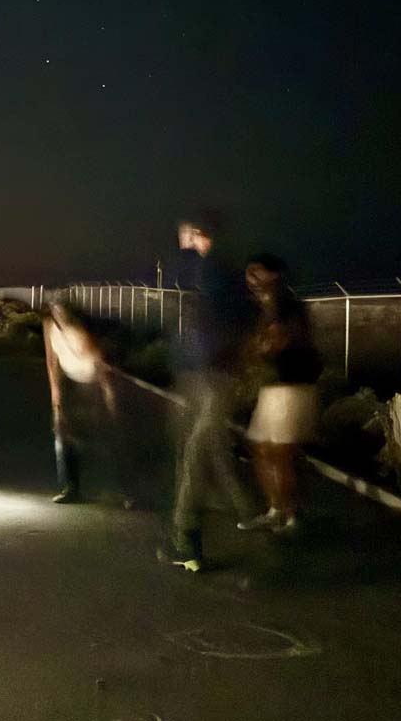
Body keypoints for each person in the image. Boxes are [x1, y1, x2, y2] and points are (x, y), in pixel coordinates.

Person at [162, 215, 257, 572]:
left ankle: (184, 540)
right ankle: (242, 508)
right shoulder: (224, 273)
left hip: (209, 373)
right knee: (205, 447)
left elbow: (207, 316)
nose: (182, 239)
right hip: (209, 373)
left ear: (200, 234)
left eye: (186, 233)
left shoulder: (213, 270)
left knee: (195, 454)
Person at [238, 255, 322, 533]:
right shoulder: (267, 307)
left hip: (291, 385)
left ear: (274, 275)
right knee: (262, 448)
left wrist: (259, 347)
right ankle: (276, 509)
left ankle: (292, 514)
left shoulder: (286, 305)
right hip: (274, 386)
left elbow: (278, 340)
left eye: (257, 273)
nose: (251, 279)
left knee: (280, 453)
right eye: (249, 273)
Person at [42, 301, 121, 504]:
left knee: (101, 436)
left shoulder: (79, 330)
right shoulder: (49, 326)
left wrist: (107, 392)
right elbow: (51, 361)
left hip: (90, 382)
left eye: (61, 311)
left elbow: (98, 360)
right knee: (63, 435)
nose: (58, 315)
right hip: (69, 381)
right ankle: (71, 488)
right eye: (55, 310)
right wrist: (56, 393)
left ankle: (118, 488)